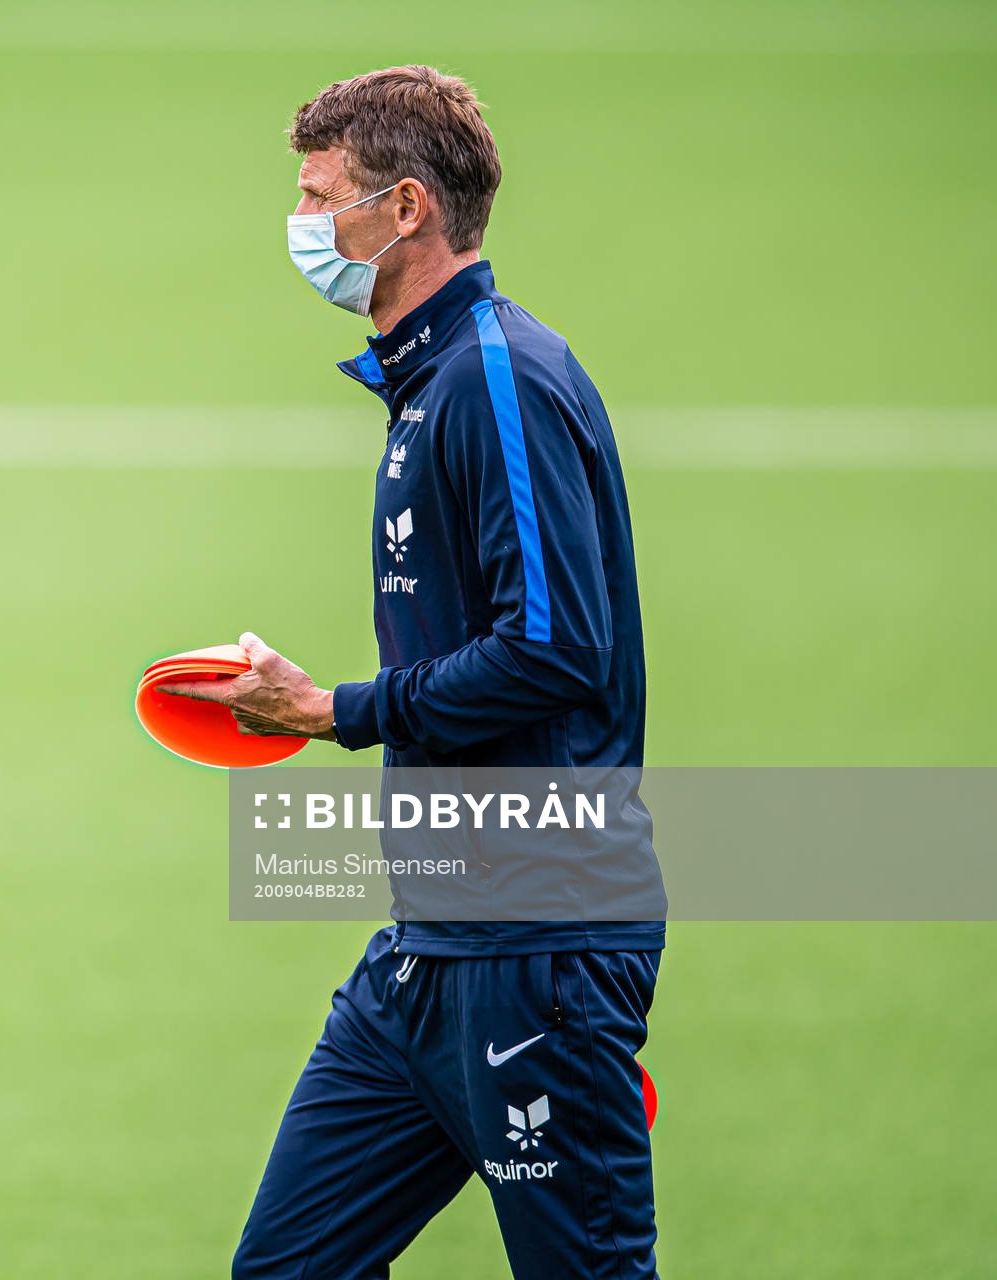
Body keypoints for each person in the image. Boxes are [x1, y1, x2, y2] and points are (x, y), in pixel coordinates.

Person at [158, 66, 663, 1278]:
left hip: (539, 948)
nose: (299, 226)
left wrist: (332, 710)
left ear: (405, 209)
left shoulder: (496, 381)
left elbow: (556, 647)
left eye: (317, 196)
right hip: (430, 945)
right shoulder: (426, 385)